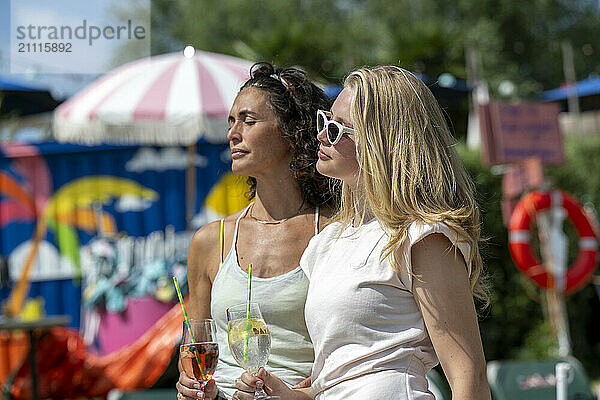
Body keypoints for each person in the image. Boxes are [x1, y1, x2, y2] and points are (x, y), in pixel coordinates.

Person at [236, 66, 491, 399]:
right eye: (323, 121)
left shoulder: (421, 237)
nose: (321, 136)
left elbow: (467, 376)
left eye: (336, 129)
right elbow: (342, 373)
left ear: (380, 143)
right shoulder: (325, 245)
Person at [176, 62, 337, 400]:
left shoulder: (336, 232)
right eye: (231, 122)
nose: (233, 133)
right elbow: (197, 347)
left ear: (293, 131)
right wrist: (190, 385)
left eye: (248, 121)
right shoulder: (211, 241)